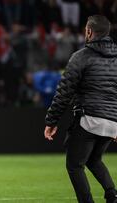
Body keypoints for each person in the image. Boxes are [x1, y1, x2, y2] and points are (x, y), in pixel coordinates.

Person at [44, 15, 117, 203]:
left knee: (75, 165)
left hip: (89, 119)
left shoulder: (81, 57)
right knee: (93, 159)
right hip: (112, 122)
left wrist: (51, 121)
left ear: (89, 32)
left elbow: (64, 92)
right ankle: (112, 194)